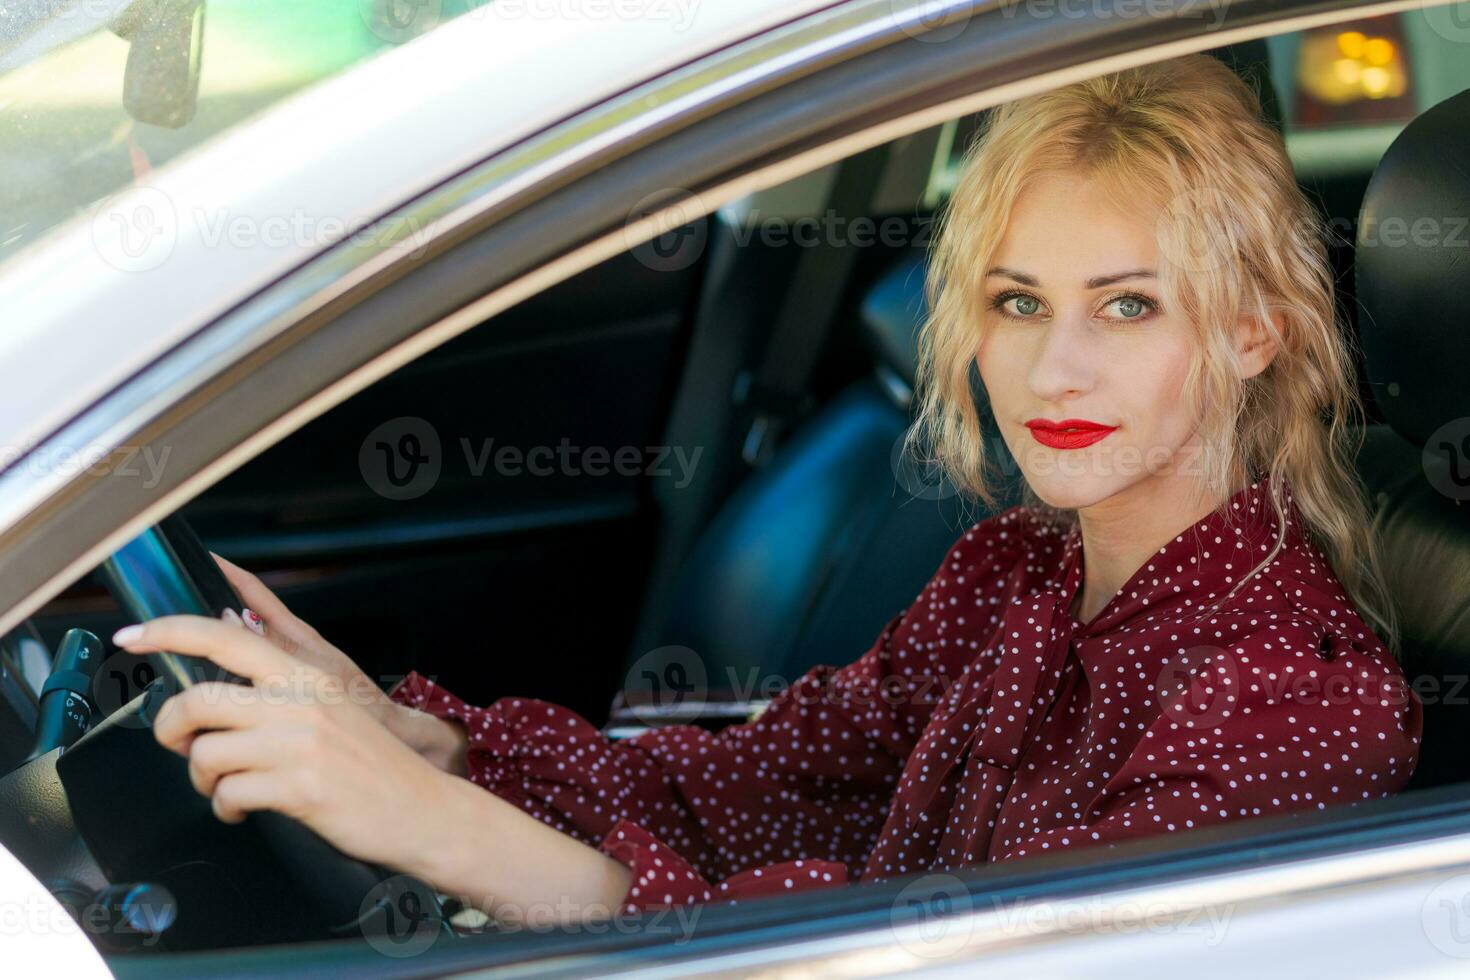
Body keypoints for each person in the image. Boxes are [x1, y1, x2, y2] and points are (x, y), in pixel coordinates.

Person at [110, 52, 1422, 925]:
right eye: (1017, 303)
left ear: (1252, 329)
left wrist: (440, 831)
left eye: (1125, 305)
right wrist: (423, 743)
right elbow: (748, 791)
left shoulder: (1288, 704)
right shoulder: (1015, 568)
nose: (1052, 364)